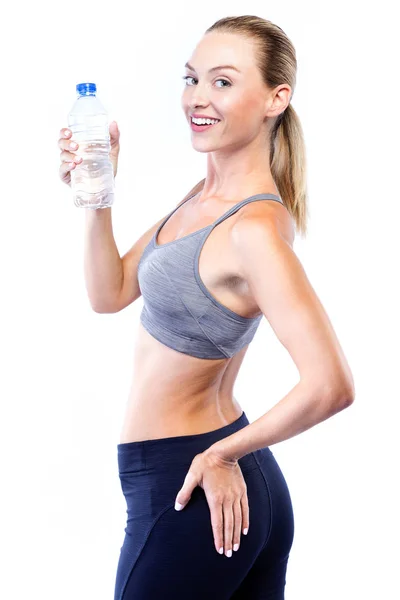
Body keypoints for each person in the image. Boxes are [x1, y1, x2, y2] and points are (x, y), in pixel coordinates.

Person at [58, 15, 355, 600]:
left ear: (276, 98)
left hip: (193, 488)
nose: (197, 98)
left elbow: (331, 384)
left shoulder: (254, 229)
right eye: (191, 79)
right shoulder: (205, 197)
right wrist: (96, 192)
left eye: (222, 82)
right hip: (211, 484)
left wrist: (220, 453)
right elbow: (109, 293)